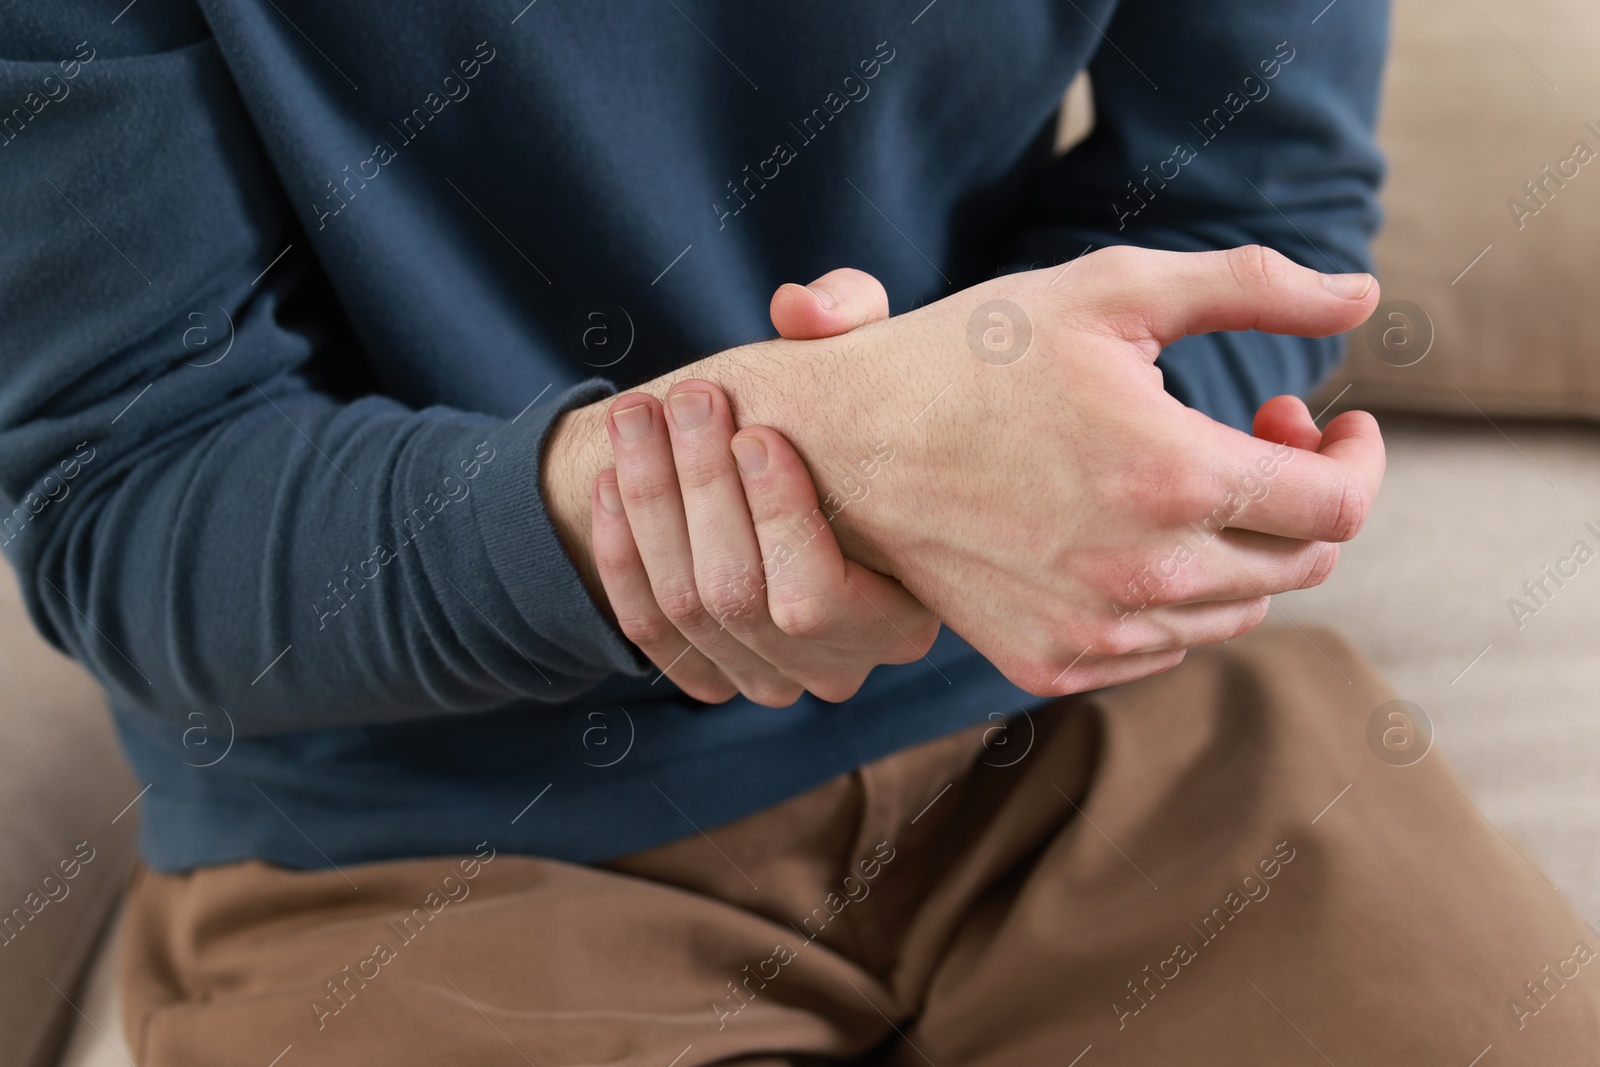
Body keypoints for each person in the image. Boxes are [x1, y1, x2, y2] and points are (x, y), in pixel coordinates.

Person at [2, 1, 1595, 1063]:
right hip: (408, 835)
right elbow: (129, 493)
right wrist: (755, 487)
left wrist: (1069, 459)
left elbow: (1260, 204)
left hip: (1069, 722)